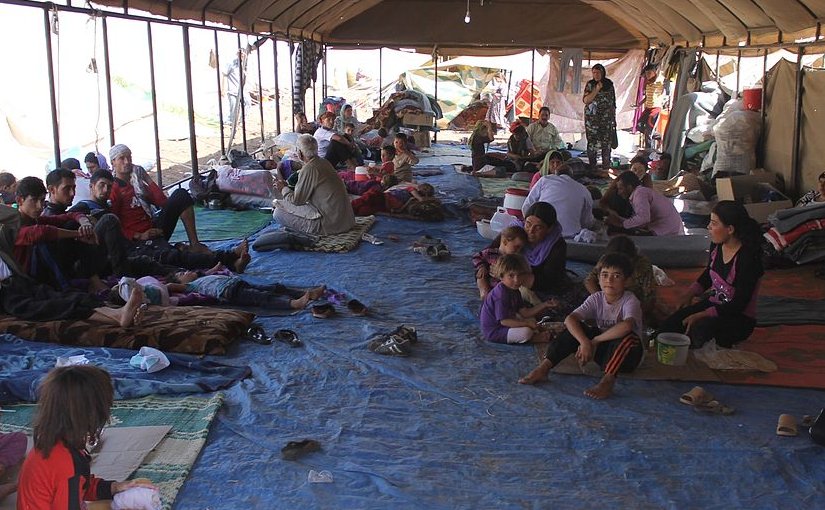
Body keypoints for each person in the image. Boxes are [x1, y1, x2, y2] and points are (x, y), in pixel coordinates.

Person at [17, 366, 155, 508]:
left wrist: (115, 487)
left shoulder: (55, 443)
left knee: (139, 486)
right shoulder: (66, 463)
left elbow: (82, 485)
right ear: (93, 412)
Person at [519, 252, 644, 399]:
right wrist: (584, 341)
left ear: (627, 281)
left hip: (628, 358)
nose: (609, 280)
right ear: (598, 278)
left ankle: (607, 381)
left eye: (616, 276)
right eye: (604, 275)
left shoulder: (630, 300)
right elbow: (570, 319)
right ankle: (544, 367)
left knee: (628, 338)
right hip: (602, 352)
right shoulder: (597, 298)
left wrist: (594, 341)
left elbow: (627, 326)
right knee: (573, 330)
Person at [657, 201, 764, 348]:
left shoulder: (748, 259)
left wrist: (703, 314)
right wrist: (690, 293)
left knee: (699, 329)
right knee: (671, 324)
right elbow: (709, 272)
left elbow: (738, 304)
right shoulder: (717, 245)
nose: (708, 227)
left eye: (714, 223)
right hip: (715, 304)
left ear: (730, 229)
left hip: (738, 318)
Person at [12, 176, 108, 291]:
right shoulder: (13, 226)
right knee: (43, 243)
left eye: (42, 200)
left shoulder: (34, 219)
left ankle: (94, 280)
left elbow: (70, 215)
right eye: (34, 200)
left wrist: (85, 223)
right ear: (19, 201)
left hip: (41, 273)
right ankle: (66, 288)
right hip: (22, 279)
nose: (39, 206)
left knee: (73, 224)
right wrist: (78, 234)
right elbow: (41, 232)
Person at [108, 144, 209, 253]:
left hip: (154, 229)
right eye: (122, 158)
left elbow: (163, 202)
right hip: (137, 239)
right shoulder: (114, 189)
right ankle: (178, 250)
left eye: (129, 157)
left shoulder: (137, 185)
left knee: (181, 195)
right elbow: (114, 224)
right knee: (170, 256)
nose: (127, 162)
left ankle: (194, 244)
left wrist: (147, 178)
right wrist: (140, 235)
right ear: (113, 162)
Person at [273, 134, 356, 235]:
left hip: (331, 226)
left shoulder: (309, 169)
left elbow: (297, 201)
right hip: (346, 221)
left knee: (278, 212)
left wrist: (283, 189)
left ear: (299, 153)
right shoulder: (324, 162)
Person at [479, 254, 556, 344]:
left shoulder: (514, 290)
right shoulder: (500, 295)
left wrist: (545, 304)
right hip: (495, 331)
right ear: (501, 276)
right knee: (526, 332)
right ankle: (534, 338)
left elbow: (525, 312)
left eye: (520, 275)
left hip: (507, 322)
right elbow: (504, 321)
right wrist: (526, 323)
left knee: (531, 321)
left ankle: (532, 333)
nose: (517, 280)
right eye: (511, 276)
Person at [165, 268, 326, 310]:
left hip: (236, 283)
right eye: (181, 274)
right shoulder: (189, 287)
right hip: (230, 293)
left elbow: (211, 271)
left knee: (273, 287)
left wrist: (218, 267)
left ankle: (307, 294)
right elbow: (171, 286)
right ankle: (292, 304)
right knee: (262, 297)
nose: (185, 272)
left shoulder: (201, 277)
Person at [583, 235, 656, 320]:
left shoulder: (643, 266)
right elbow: (589, 280)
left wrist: (630, 313)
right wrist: (602, 301)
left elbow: (650, 299)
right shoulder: (606, 260)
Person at [522, 163, 594, 238]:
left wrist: (529, 225)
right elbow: (587, 222)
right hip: (572, 236)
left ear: (556, 174)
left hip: (543, 234)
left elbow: (526, 207)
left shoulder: (545, 180)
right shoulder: (583, 189)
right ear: (572, 176)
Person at [605, 171, 684, 236]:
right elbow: (639, 220)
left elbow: (643, 218)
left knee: (617, 233)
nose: (619, 193)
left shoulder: (640, 193)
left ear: (629, 187)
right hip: (668, 227)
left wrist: (622, 224)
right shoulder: (639, 193)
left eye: (620, 189)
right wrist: (619, 219)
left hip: (668, 231)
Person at [521, 202, 569, 293]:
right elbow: (489, 252)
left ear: (549, 229)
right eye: (528, 224)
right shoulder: (515, 232)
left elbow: (550, 280)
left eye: (538, 227)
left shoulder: (557, 245)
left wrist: (517, 277)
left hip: (539, 285)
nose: (531, 231)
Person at [472, 225, 528, 299]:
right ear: (505, 242)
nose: (518, 251)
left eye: (521, 248)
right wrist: (481, 267)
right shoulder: (490, 253)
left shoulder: (515, 259)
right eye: (516, 247)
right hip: (491, 286)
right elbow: (476, 257)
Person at [583, 64, 617, 172]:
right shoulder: (590, 84)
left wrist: (613, 119)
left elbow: (613, 102)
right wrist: (596, 89)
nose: (596, 75)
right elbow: (586, 100)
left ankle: (606, 167)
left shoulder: (609, 84)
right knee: (592, 143)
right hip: (592, 120)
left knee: (606, 143)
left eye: (598, 72)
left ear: (602, 73)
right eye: (594, 73)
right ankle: (592, 167)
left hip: (606, 119)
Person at [636, 64, 666, 149]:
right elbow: (647, 97)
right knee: (639, 126)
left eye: (650, 73)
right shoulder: (648, 83)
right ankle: (658, 136)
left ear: (654, 73)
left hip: (655, 109)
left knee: (648, 133)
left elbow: (661, 73)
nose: (648, 75)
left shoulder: (658, 82)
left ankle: (649, 151)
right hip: (647, 109)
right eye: (646, 73)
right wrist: (639, 104)